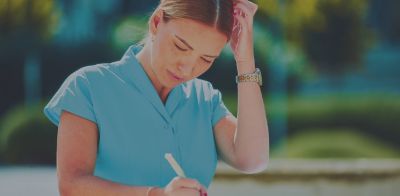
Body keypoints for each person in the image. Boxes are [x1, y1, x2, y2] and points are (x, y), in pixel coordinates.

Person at [43, 0, 269, 195]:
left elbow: (253, 160)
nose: (187, 67)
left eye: (206, 58)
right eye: (180, 46)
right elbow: (72, 186)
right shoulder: (88, 87)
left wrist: (245, 60)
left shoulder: (205, 100)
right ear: (156, 22)